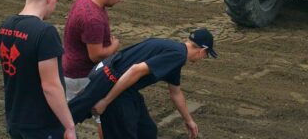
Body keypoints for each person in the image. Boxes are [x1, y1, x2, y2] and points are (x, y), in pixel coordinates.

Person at [69, 28, 217, 139]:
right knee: (121, 132)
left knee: (146, 131)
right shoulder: (177, 55)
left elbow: (176, 92)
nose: (203, 58)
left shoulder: (172, 49)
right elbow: (135, 70)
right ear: (202, 51)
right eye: (206, 55)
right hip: (117, 89)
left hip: (122, 86)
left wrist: (189, 121)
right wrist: (106, 101)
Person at [0, 0, 76, 139]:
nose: (55, 5)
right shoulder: (45, 32)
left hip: (15, 120)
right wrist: (69, 126)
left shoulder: (5, 27)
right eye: (56, 0)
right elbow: (50, 86)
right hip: (41, 125)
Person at [62, 0, 129, 138]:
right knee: (104, 116)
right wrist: (114, 45)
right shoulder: (93, 19)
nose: (121, 1)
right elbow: (96, 55)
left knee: (66, 117)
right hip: (84, 75)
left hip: (69, 69)